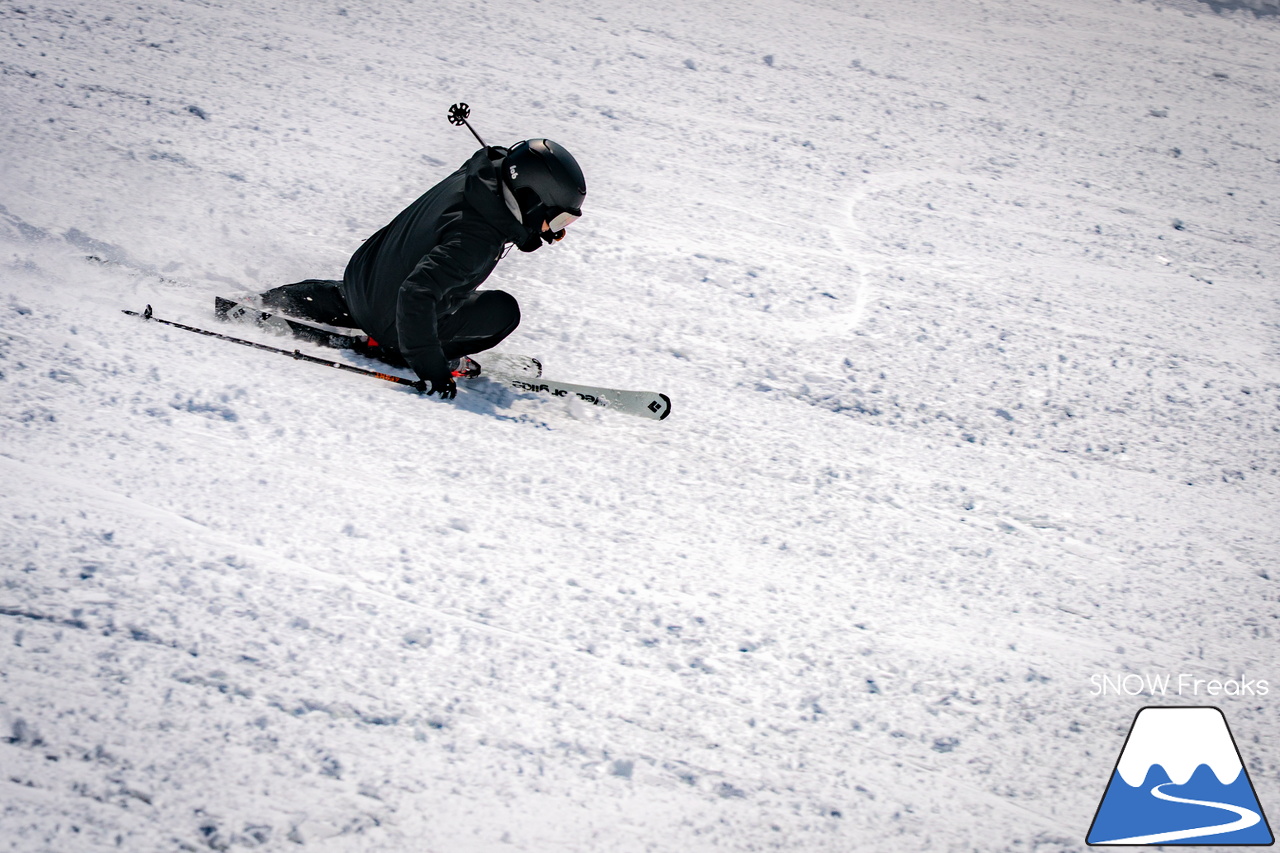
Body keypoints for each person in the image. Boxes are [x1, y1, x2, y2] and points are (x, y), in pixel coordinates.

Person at [258, 138, 586, 398]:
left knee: (427, 281)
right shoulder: (478, 239)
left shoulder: (478, 177)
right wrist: (433, 370)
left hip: (362, 280)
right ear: (531, 198)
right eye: (559, 219)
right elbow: (416, 294)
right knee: (503, 312)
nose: (557, 231)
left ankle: (276, 299)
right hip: (396, 320)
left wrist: (535, 229)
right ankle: (400, 350)